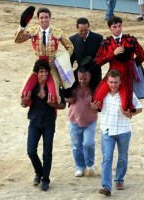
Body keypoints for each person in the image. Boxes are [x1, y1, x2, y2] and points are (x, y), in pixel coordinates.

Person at [91, 70, 143, 196]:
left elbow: (140, 107)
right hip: (107, 130)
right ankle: (106, 186)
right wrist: (93, 107)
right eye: (111, 82)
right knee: (107, 158)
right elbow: (94, 106)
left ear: (120, 82)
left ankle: (119, 179)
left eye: (115, 82)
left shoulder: (127, 93)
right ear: (107, 82)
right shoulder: (102, 94)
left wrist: (131, 113)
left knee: (123, 157)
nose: (113, 85)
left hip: (123, 130)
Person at [20, 59, 66, 191]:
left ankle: (45, 179)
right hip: (34, 122)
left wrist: (55, 105)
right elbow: (23, 104)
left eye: (46, 71)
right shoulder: (32, 86)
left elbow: (63, 105)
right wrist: (23, 102)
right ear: (36, 73)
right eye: (41, 72)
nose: (44, 74)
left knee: (47, 152)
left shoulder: (54, 86)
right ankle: (39, 172)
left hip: (48, 122)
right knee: (31, 151)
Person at [15, 6, 74, 105]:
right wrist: (22, 26)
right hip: (37, 66)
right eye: (41, 18)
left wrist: (59, 62)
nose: (44, 20)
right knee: (24, 93)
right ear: (38, 19)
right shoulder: (33, 31)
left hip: (51, 66)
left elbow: (70, 47)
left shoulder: (57, 32)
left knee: (54, 97)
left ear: (50, 18)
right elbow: (18, 40)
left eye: (46, 17)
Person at [93, 16, 144, 112]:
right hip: (112, 76)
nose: (117, 29)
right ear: (109, 28)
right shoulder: (106, 43)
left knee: (126, 106)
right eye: (114, 27)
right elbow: (98, 61)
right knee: (96, 99)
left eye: (119, 26)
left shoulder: (130, 40)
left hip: (126, 77)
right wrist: (113, 54)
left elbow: (142, 55)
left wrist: (132, 65)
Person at [65, 60, 98, 177]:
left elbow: (101, 103)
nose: (82, 81)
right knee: (76, 145)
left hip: (90, 121)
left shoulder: (94, 89)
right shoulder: (73, 87)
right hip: (74, 120)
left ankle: (89, 164)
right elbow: (62, 96)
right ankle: (80, 166)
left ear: (89, 76)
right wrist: (68, 99)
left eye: (84, 79)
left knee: (88, 143)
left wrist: (97, 105)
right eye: (80, 79)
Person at [66, 17, 103, 97]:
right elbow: (71, 59)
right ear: (77, 28)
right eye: (81, 31)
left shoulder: (98, 38)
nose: (84, 33)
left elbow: (101, 56)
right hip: (80, 71)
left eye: (86, 30)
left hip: (94, 70)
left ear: (88, 27)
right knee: (67, 90)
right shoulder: (72, 39)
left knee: (97, 95)